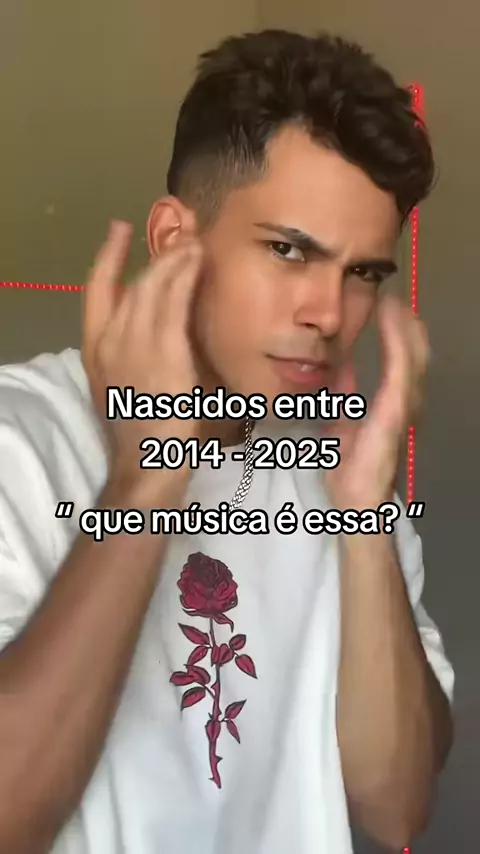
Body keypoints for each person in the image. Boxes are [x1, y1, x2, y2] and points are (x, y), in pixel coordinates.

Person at [0, 28, 453, 854]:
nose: (329, 314)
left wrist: (363, 520)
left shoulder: (344, 472)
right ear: (175, 241)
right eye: (288, 250)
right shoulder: (18, 444)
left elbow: (396, 806)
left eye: (362, 273)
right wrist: (146, 481)